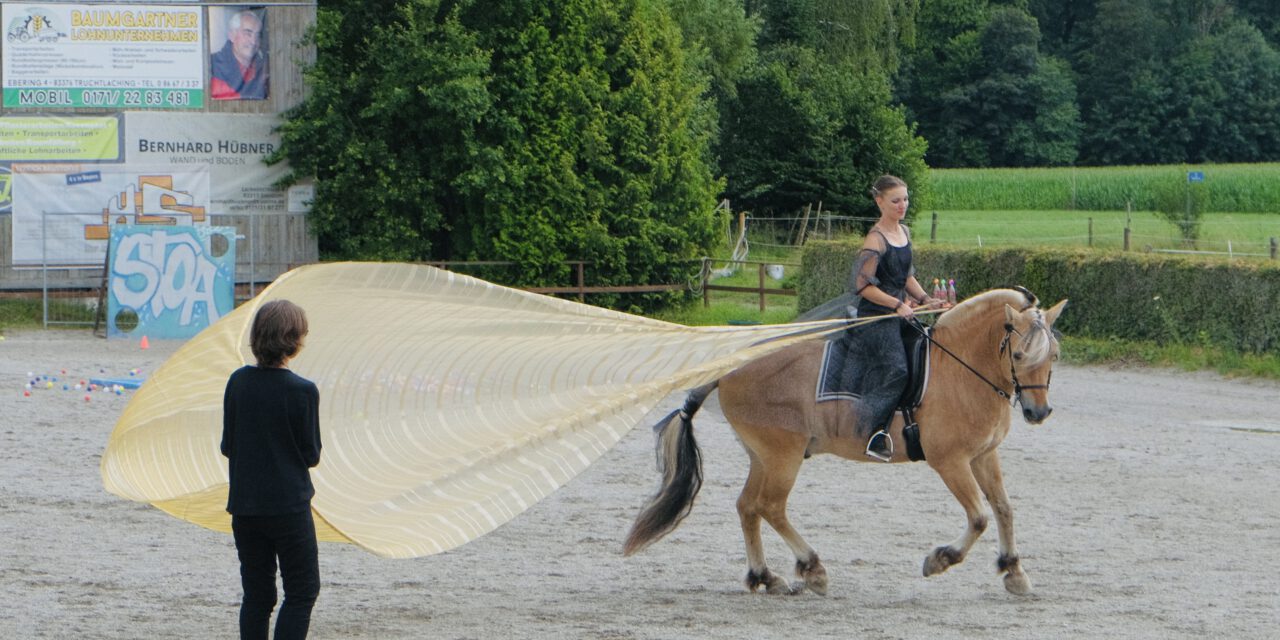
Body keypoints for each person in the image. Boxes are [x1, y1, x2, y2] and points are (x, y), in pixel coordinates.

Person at [221, 299, 321, 639]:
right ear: (294, 341)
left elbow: (227, 446)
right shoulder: (303, 391)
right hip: (289, 509)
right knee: (302, 591)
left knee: (258, 596)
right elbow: (311, 455)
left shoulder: (237, 382)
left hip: (245, 507)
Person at [845, 175, 946, 462]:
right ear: (879, 202)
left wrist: (926, 299)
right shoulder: (875, 240)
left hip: (904, 311)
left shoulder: (905, 232)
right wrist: (896, 304)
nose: (903, 205)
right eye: (895, 201)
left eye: (905, 199)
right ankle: (874, 432)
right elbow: (863, 286)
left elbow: (907, 276)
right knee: (897, 369)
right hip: (876, 317)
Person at [211, 9, 269, 100]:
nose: (253, 42)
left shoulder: (264, 68)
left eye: (257, 35)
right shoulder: (213, 66)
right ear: (232, 35)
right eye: (248, 34)